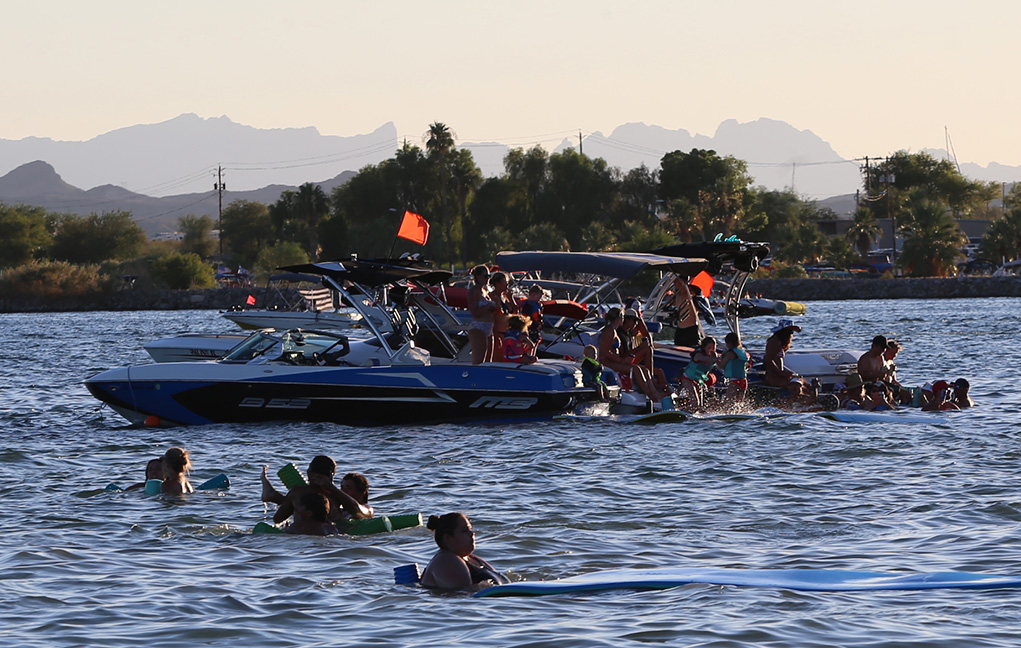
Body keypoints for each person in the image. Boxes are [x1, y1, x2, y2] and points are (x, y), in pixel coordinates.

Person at [263, 456, 373, 525]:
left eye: (348, 488)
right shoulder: (337, 497)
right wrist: (331, 488)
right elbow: (357, 512)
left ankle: (272, 495)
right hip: (330, 535)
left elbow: (277, 519)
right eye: (342, 487)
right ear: (332, 475)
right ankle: (272, 495)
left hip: (301, 535)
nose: (343, 491)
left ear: (309, 472)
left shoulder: (297, 492)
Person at [419, 513, 508, 590]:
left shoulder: (472, 558)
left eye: (470, 529)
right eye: (465, 531)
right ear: (448, 538)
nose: (472, 534)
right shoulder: (446, 560)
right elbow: (463, 594)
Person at [598, 307, 669, 402]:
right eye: (622, 317)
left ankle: (654, 392)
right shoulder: (609, 331)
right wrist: (621, 360)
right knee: (636, 369)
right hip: (607, 362)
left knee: (644, 369)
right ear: (619, 318)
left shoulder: (614, 330)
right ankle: (651, 395)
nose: (623, 320)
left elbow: (643, 329)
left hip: (615, 360)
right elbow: (604, 352)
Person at [763, 319, 816, 404]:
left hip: (779, 374)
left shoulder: (780, 342)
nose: (792, 335)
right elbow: (768, 359)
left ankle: (810, 400)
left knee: (805, 384)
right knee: (796, 386)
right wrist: (780, 372)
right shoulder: (774, 342)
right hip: (773, 376)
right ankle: (793, 403)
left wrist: (787, 372)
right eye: (790, 332)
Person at [619, 308, 668, 392]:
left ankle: (666, 394)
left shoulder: (630, 333)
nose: (636, 323)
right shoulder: (620, 334)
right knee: (647, 351)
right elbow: (622, 356)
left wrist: (638, 317)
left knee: (659, 372)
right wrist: (639, 348)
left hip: (630, 359)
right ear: (626, 320)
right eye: (634, 321)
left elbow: (644, 331)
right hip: (623, 362)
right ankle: (652, 384)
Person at [467, 265, 496, 364]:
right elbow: (475, 313)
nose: (488, 279)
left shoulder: (486, 291)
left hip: (489, 327)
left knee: (488, 362)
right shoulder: (473, 291)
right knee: (479, 361)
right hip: (478, 326)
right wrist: (488, 306)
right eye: (486, 276)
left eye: (489, 276)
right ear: (478, 277)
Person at [680, 336, 719, 411]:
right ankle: (681, 412)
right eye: (709, 348)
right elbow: (706, 359)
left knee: (700, 406)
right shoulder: (698, 355)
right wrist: (719, 358)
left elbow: (720, 365)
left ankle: (696, 419)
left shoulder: (714, 355)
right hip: (688, 378)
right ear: (704, 347)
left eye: (713, 348)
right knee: (695, 403)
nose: (711, 350)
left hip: (699, 380)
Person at [489, 271, 518, 362]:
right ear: (498, 283)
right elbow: (497, 313)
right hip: (497, 330)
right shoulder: (492, 296)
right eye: (505, 282)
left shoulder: (505, 297)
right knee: (497, 356)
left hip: (507, 331)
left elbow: (515, 312)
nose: (507, 284)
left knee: (505, 356)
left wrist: (511, 298)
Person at [717, 332, 751, 405]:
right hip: (744, 381)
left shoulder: (730, 353)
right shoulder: (743, 352)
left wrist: (717, 358)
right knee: (739, 404)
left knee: (728, 403)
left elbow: (721, 365)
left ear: (728, 343)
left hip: (735, 381)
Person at [671, 279, 705, 348]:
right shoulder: (677, 295)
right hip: (680, 330)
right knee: (678, 348)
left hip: (690, 329)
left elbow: (699, 298)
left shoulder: (691, 292)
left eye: (676, 282)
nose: (674, 284)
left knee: (693, 348)